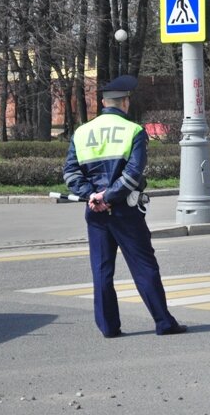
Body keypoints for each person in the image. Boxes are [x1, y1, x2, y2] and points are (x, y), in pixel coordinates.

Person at [62, 74, 187, 338]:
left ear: (105, 103)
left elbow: (71, 174)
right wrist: (109, 197)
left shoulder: (82, 132)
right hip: (125, 212)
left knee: (101, 270)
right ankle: (163, 322)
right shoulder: (134, 131)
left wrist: (92, 196)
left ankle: (108, 327)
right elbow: (132, 174)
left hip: (95, 212)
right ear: (124, 103)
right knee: (144, 267)